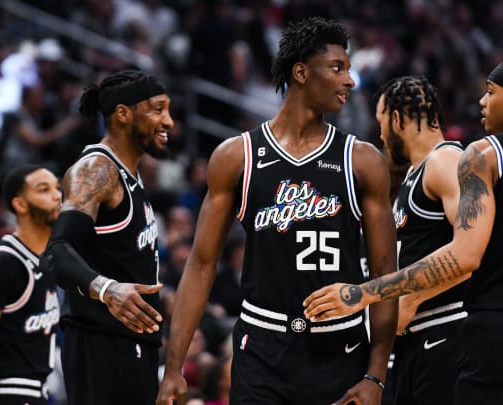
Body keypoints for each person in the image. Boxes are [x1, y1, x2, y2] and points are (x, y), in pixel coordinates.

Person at [304, 54, 503, 404]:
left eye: (491, 92)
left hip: (496, 337)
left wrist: (364, 293)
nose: (482, 101)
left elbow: (464, 256)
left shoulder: (485, 154)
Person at [158, 17, 397, 405]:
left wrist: (376, 375)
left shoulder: (363, 161)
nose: (349, 81)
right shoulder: (237, 156)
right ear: (301, 73)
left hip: (341, 348)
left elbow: (386, 273)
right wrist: (173, 366)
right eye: (337, 68)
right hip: (262, 347)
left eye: (349, 69)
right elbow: (201, 264)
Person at [39, 70, 174, 404]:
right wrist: (107, 289)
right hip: (101, 343)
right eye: (157, 109)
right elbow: (56, 253)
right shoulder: (96, 171)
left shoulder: (129, 174)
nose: (169, 121)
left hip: (132, 344)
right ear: (123, 114)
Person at [374, 75, 469, 404]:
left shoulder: (446, 161)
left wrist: (410, 299)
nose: (381, 135)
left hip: (447, 327)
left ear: (397, 120)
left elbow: (472, 249)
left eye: (382, 123)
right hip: (418, 337)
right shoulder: (415, 174)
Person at [0, 165, 62, 405]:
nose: (57, 195)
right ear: (20, 205)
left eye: (58, 188)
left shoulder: (46, 259)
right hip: (6, 392)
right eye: (44, 190)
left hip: (38, 392)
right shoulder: (3, 262)